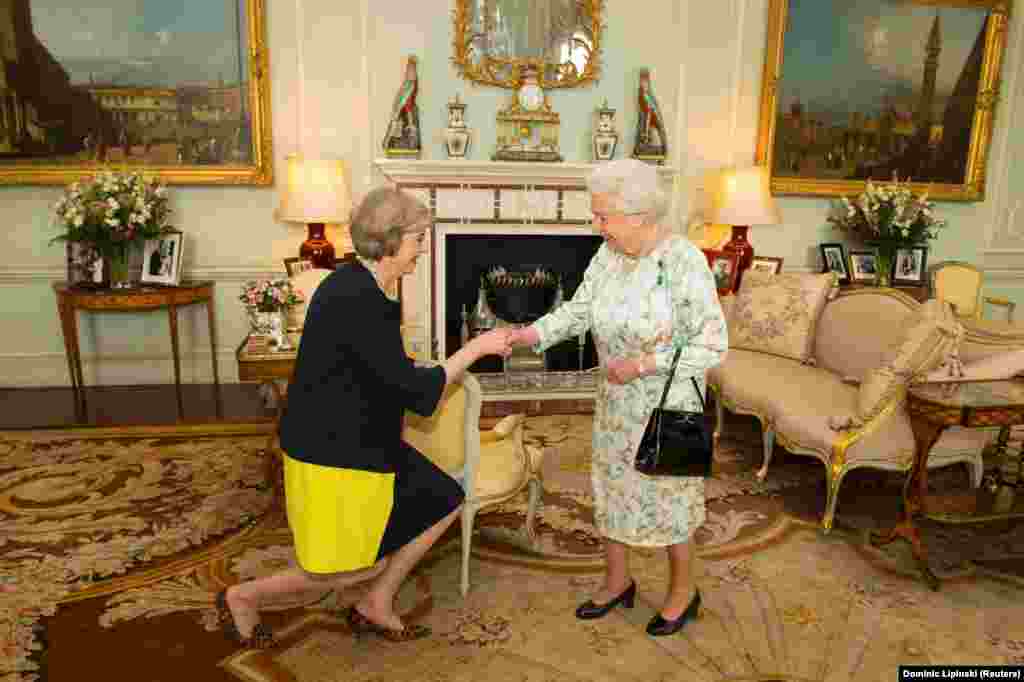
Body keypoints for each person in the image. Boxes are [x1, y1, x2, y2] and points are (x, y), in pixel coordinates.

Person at [217, 187, 513, 647]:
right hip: (334, 452)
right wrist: (476, 348)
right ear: (391, 241)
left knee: (444, 496)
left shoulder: (362, 284)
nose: (422, 249)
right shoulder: (358, 299)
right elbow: (417, 395)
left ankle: (376, 603)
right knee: (347, 568)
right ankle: (243, 596)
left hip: (364, 436)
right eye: (418, 239)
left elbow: (380, 369)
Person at [506, 159, 728, 637]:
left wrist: (642, 364)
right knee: (611, 489)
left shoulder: (683, 261)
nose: (596, 224)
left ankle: (683, 592)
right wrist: (527, 334)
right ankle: (616, 580)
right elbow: (578, 311)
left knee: (669, 497)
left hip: (667, 403)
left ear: (639, 216)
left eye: (603, 216)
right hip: (615, 403)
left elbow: (711, 344)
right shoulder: (607, 257)